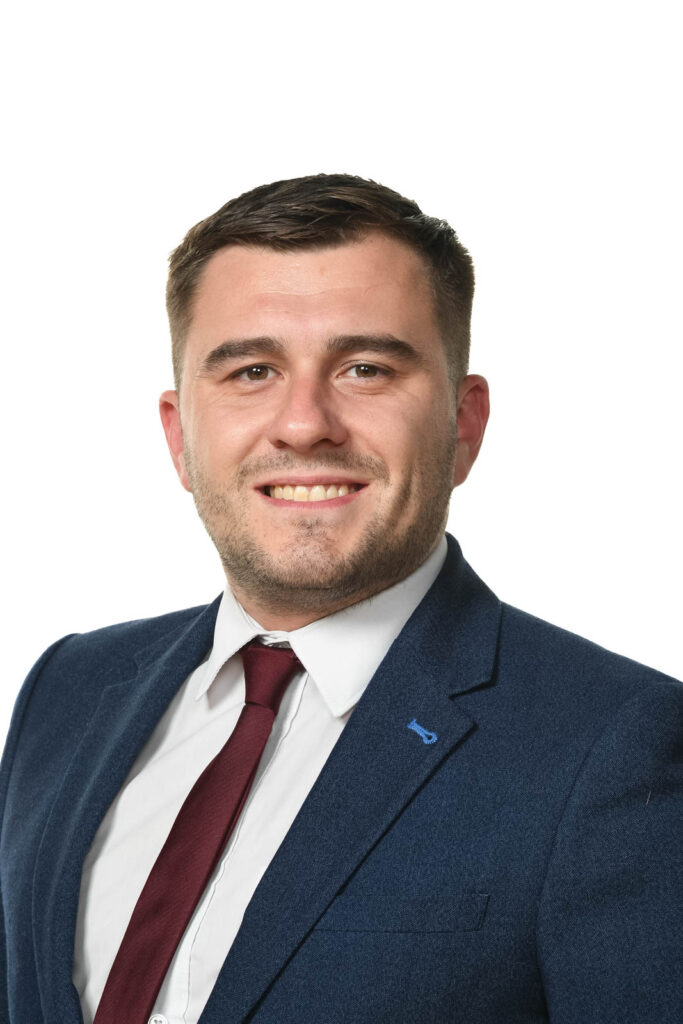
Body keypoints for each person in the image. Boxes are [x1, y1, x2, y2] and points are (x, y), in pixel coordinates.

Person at [1, 174, 681, 1024]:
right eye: (252, 370)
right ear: (179, 438)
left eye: (365, 368)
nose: (303, 423)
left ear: (462, 424)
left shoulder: (615, 746)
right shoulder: (67, 689)